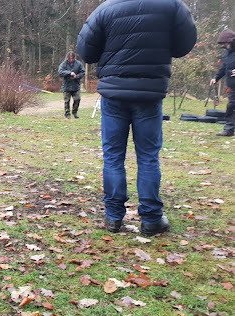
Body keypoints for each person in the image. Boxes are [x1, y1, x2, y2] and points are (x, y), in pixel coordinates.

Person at [76, 0, 196, 236]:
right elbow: (184, 46)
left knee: (112, 156)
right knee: (148, 157)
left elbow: (87, 51)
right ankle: (151, 219)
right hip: (149, 92)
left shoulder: (106, 8)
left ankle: (113, 217)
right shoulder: (172, 5)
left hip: (114, 92)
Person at [210, 29, 235, 137]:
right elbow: (223, 68)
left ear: (230, 41)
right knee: (231, 107)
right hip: (233, 86)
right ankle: (229, 130)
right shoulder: (227, 54)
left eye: (224, 43)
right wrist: (216, 77)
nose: (223, 46)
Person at [58, 51, 85, 119]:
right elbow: (60, 72)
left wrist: (77, 76)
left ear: (74, 57)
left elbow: (83, 72)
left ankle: (75, 112)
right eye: (70, 58)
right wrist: (69, 73)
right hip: (67, 85)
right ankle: (67, 114)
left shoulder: (78, 64)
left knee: (77, 99)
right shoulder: (64, 64)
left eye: (72, 58)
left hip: (76, 85)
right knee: (67, 101)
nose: (71, 60)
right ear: (67, 58)